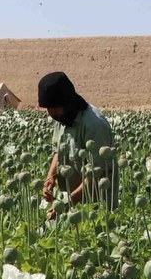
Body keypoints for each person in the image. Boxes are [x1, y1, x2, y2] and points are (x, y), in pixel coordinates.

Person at [39, 72, 117, 217]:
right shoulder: (61, 118)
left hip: (97, 207)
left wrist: (68, 203)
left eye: (54, 106)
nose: (50, 112)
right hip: (69, 203)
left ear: (67, 101)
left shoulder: (94, 124)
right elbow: (58, 151)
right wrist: (51, 176)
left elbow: (96, 173)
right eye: (47, 108)